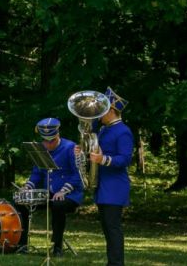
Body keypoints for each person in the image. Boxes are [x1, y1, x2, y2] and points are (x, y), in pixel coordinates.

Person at [14, 118, 83, 257]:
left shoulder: (71, 148)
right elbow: (37, 174)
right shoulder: (41, 149)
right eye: (45, 140)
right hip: (48, 193)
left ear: (57, 135)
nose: (48, 144)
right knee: (21, 203)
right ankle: (22, 244)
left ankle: (57, 246)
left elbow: (78, 175)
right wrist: (28, 187)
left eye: (51, 140)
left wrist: (63, 191)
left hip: (70, 194)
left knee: (58, 205)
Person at [91, 88, 133, 266]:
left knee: (113, 229)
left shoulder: (123, 131)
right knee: (108, 229)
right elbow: (95, 144)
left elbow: (125, 159)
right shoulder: (104, 129)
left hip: (115, 186)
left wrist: (103, 159)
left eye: (102, 110)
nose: (99, 115)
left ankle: (116, 263)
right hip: (104, 185)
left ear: (111, 111)